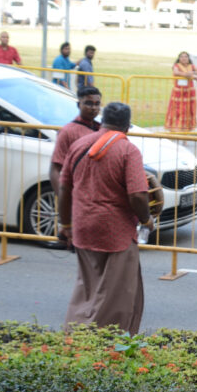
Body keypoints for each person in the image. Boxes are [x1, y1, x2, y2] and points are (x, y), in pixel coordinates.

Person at [56, 102, 153, 335]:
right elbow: (137, 195)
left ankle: (72, 336)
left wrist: (66, 224)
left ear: (102, 121)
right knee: (116, 297)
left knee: (87, 289)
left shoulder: (79, 145)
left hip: (83, 227)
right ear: (127, 126)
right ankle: (103, 344)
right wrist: (146, 219)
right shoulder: (127, 150)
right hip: (116, 233)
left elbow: (64, 188)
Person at [49, 87, 102, 196]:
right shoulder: (67, 131)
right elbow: (55, 169)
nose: (93, 108)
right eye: (88, 103)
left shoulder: (101, 129)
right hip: (78, 194)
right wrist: (63, 198)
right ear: (79, 105)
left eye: (97, 104)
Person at [165, 52, 197, 131]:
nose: (184, 58)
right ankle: (175, 127)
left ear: (188, 58)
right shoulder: (176, 66)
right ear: (179, 58)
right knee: (177, 109)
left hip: (189, 92)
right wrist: (191, 76)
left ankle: (187, 127)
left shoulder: (191, 66)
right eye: (182, 57)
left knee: (188, 109)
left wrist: (192, 73)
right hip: (178, 92)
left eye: (186, 57)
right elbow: (176, 73)